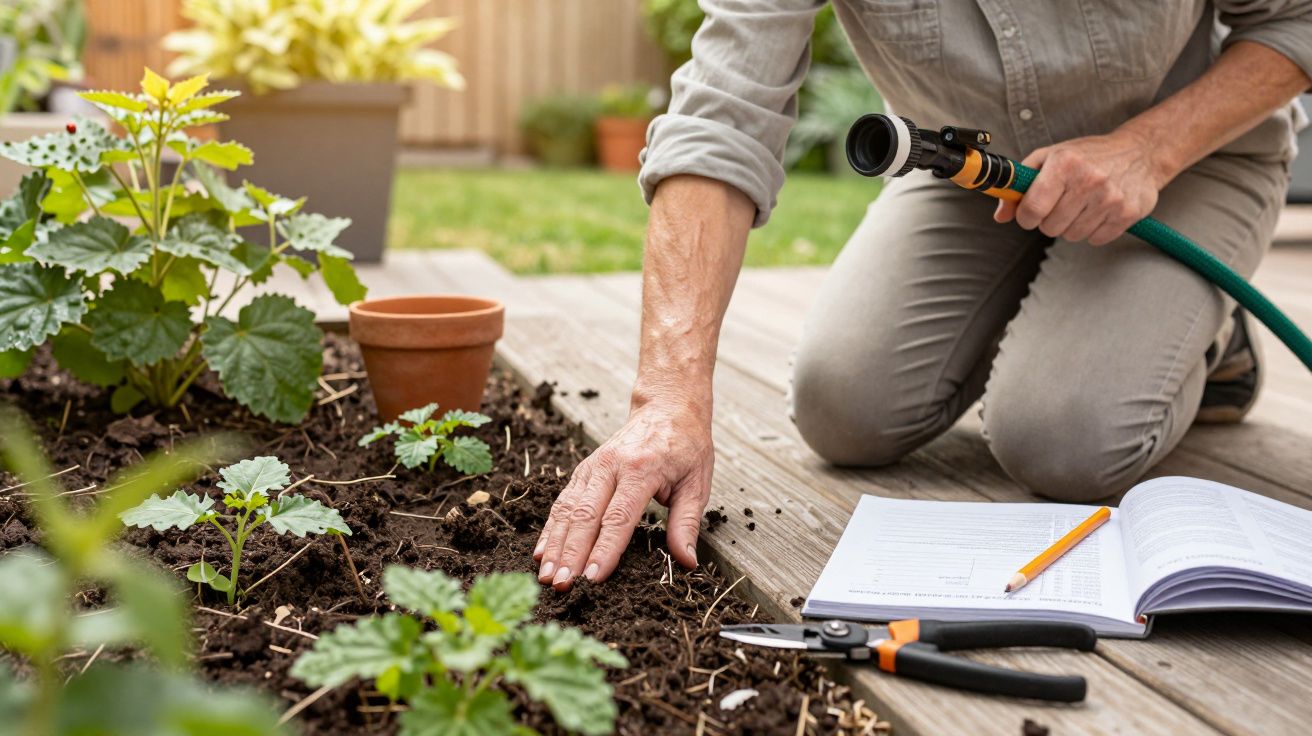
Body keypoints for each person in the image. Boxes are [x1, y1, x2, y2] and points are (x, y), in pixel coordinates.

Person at [533, 1, 1312, 590]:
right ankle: (1092, 306)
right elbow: (721, 115)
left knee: (1064, 437)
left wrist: (1147, 149)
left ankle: (1208, 339)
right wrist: (666, 396)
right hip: (976, 173)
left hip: (1183, 163)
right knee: (844, 407)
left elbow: (1295, 19)